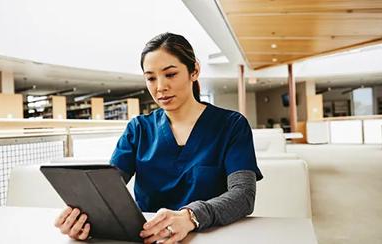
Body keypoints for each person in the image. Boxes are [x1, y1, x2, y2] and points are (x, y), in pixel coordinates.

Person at [54, 32, 263, 243]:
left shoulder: (231, 125)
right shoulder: (138, 130)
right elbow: (108, 191)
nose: (160, 87)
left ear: (194, 71)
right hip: (148, 237)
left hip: (210, 237)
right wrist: (85, 218)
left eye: (170, 74)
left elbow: (243, 195)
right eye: (151, 78)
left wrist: (191, 216)